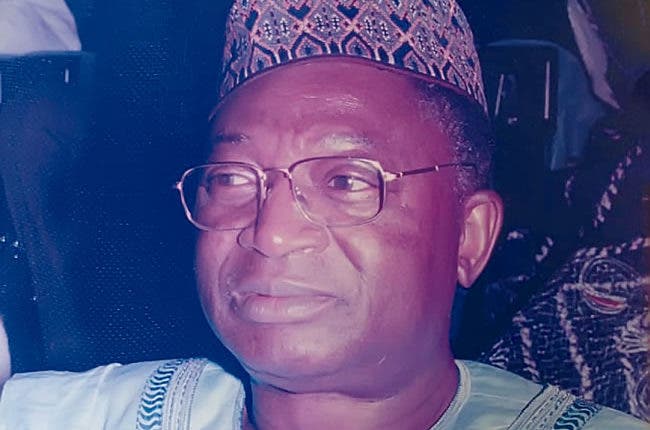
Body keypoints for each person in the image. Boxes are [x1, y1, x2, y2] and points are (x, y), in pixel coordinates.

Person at [0, 1, 645, 428]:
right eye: (232, 178)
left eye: (345, 180)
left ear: (469, 238)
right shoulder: (104, 414)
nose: (272, 233)